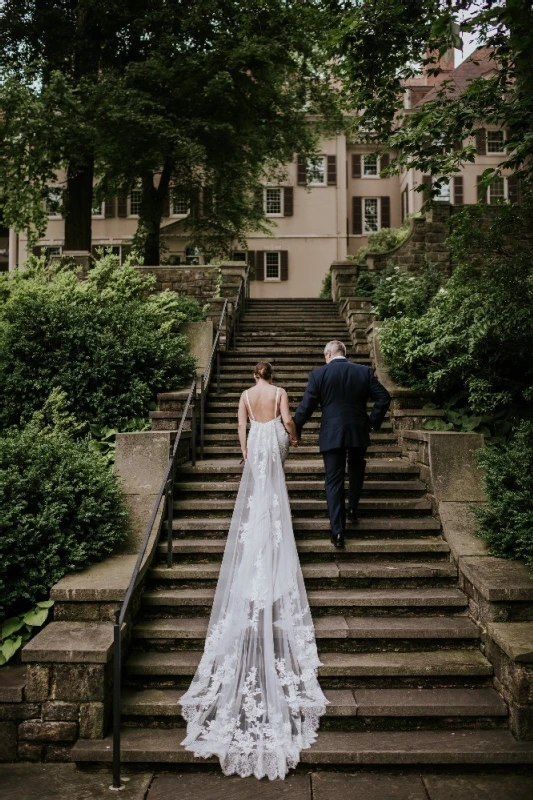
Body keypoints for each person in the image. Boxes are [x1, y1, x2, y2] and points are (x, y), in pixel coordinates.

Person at [179, 361, 329, 780]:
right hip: (274, 441)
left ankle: (259, 531)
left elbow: (241, 430)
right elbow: (285, 421)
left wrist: (245, 450)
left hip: (256, 443)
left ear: (252, 374)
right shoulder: (279, 391)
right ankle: (271, 533)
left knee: (259, 493)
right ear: (272, 373)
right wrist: (292, 438)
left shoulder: (245, 396)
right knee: (273, 491)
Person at [293, 340, 391, 548]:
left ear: (328, 354)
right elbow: (383, 398)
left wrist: (295, 429)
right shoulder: (364, 372)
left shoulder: (319, 375)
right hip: (358, 429)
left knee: (334, 479)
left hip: (332, 432)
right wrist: (372, 423)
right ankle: (353, 509)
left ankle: (338, 532)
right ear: (344, 353)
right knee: (356, 468)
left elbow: (306, 407)